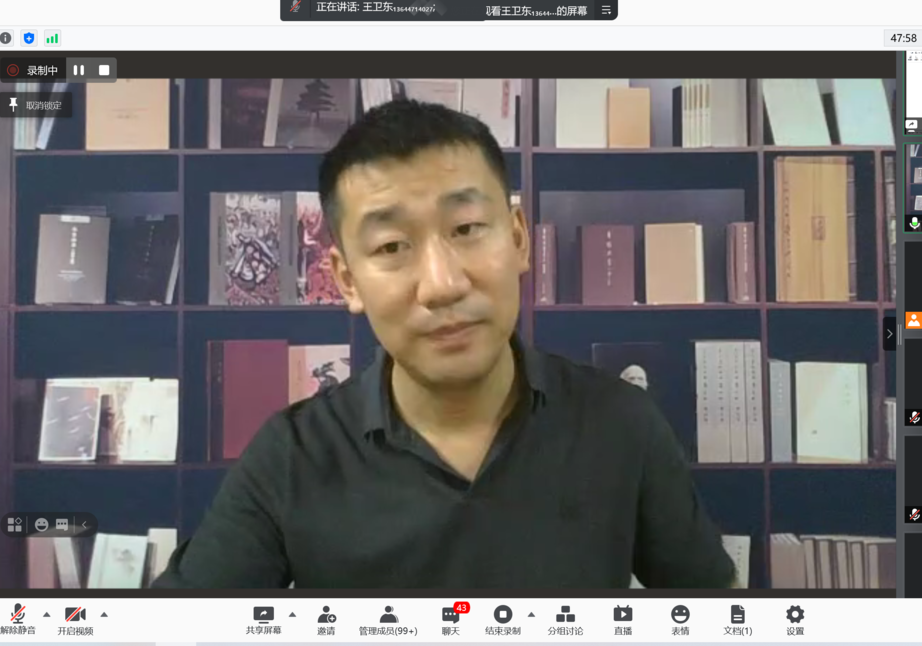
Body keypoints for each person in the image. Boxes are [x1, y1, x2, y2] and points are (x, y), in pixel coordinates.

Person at [153, 99, 735, 589]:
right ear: (347, 281)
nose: (442, 284)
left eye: (466, 229)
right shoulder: (294, 455)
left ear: (519, 239)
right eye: (391, 246)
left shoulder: (622, 423)